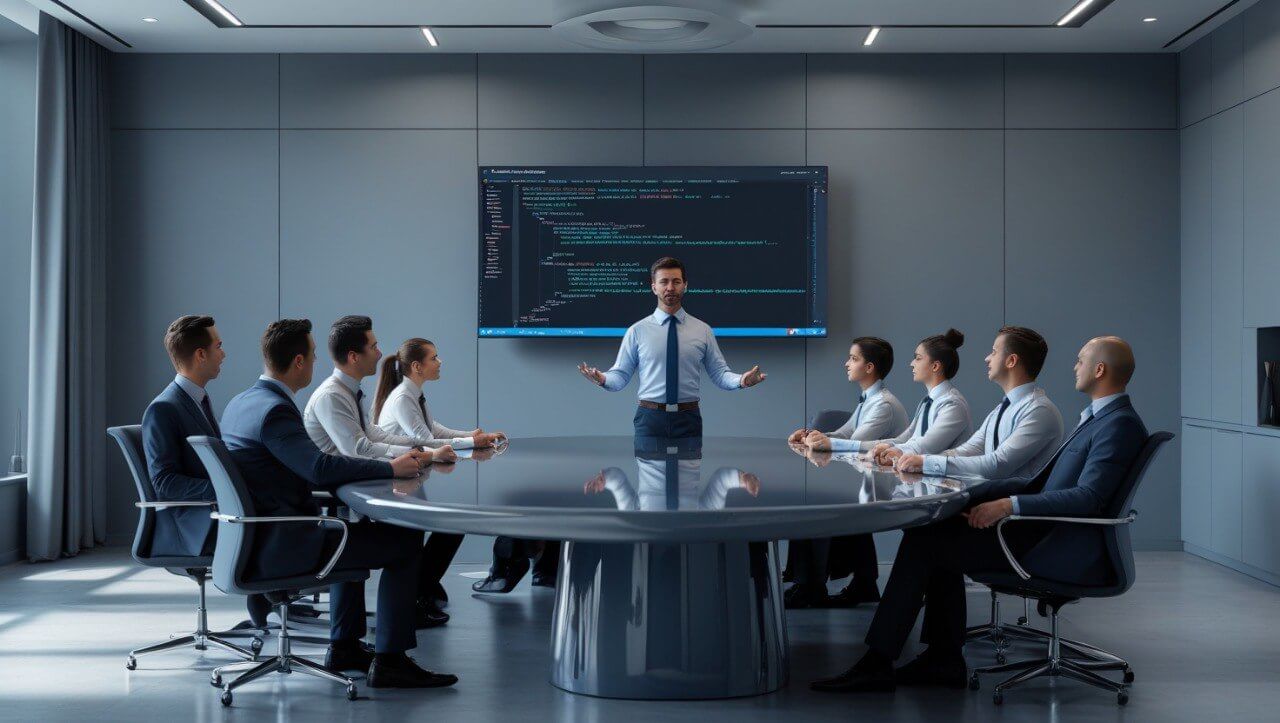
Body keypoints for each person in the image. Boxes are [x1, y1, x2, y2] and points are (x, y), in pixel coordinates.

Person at [811, 336, 1148, 693]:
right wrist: (928, 465)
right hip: (1036, 529)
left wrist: (1008, 504)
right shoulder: (1098, 418)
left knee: (927, 543)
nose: (1073, 367)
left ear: (1099, 370)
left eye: (1080, 360)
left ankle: (884, 662)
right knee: (931, 535)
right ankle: (941, 659)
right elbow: (1008, 467)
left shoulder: (1116, 424)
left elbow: (1087, 498)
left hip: (1049, 542)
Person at [220, 318, 456, 688]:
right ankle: (391, 660)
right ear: (298, 362)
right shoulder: (275, 411)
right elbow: (318, 467)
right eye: (312, 356)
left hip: (259, 536)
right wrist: (392, 467)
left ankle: (344, 646)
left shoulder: (242, 402)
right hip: (285, 541)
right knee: (405, 545)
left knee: (354, 530)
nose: (316, 363)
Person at [140, 315, 269, 626]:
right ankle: (270, 603)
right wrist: (230, 490)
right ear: (200, 354)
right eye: (219, 346)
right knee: (272, 521)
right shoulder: (164, 408)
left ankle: (270, 603)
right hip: (188, 526)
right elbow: (165, 484)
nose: (223, 354)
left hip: (208, 514)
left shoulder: (197, 401)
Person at [370, 337, 517, 601]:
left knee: (453, 525)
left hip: (411, 479)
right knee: (453, 526)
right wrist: (473, 441)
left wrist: (472, 435)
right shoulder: (404, 397)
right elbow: (425, 441)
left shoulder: (413, 394)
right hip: (397, 486)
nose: (440, 362)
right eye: (434, 358)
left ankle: (423, 584)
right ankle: (421, 587)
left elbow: (434, 430)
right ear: (417, 366)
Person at [578, 257, 766, 438]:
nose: (670, 287)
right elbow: (620, 376)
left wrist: (742, 380)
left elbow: (720, 374)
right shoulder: (637, 331)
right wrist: (602, 378)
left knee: (689, 471)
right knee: (647, 470)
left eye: (676, 281)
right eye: (664, 282)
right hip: (649, 418)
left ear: (685, 285)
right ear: (654, 287)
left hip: (689, 418)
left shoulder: (703, 330)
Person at [784, 336, 909, 609]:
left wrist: (821, 441)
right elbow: (844, 434)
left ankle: (809, 585)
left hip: (887, 486)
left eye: (854, 359)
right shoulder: (869, 399)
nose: (847, 364)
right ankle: (861, 582)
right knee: (817, 496)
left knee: (815, 503)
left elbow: (855, 445)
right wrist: (811, 435)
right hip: (866, 480)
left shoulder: (883, 405)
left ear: (870, 367)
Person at [891, 326, 1064, 480]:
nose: (987, 358)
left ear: (1011, 361)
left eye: (994, 352)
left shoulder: (1040, 411)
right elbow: (969, 450)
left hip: (1009, 508)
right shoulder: (1001, 409)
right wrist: (920, 460)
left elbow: (998, 464)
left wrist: (926, 462)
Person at [813, 329, 972, 465]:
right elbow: (905, 439)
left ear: (935, 366)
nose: (911, 363)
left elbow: (924, 446)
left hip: (946, 491)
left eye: (917, 358)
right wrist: (818, 438)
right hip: (918, 482)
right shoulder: (927, 402)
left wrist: (889, 448)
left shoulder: (953, 404)